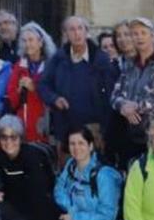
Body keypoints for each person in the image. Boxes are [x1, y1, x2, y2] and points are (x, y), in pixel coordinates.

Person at [53, 126, 125, 220]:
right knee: (52, 214)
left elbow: (107, 218)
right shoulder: (71, 165)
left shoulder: (104, 175)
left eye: (81, 143)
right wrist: (71, 209)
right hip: (79, 218)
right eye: (72, 143)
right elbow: (59, 190)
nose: (76, 148)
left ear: (90, 146)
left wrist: (76, 218)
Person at [109, 17, 154, 168]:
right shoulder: (129, 67)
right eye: (134, 34)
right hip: (130, 137)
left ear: (152, 36)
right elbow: (115, 95)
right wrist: (123, 106)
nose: (138, 37)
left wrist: (136, 106)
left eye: (143, 33)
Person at [41, 15, 115, 148]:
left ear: (86, 32)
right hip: (66, 127)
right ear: (65, 34)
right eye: (72, 30)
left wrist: (106, 128)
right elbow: (43, 85)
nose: (77, 33)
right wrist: (54, 98)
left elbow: (111, 94)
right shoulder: (58, 59)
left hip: (94, 129)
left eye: (80, 28)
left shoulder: (101, 59)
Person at [6, 22, 55, 144]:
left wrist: (35, 88)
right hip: (22, 124)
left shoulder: (52, 66)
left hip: (45, 124)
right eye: (24, 41)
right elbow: (11, 98)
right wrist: (18, 91)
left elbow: (56, 95)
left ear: (40, 42)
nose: (27, 44)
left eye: (31, 40)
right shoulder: (19, 66)